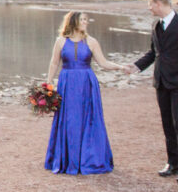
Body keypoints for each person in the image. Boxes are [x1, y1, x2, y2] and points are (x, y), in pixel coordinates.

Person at [125, 0, 178, 184]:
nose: (149, 8)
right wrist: (136, 66)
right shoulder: (155, 25)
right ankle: (173, 164)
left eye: (150, 4)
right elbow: (153, 53)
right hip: (161, 83)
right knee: (167, 125)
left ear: (159, 4)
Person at [44, 11, 126, 174]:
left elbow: (103, 62)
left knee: (89, 117)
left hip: (86, 83)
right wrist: (48, 83)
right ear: (73, 22)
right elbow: (54, 63)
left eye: (86, 20)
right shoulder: (61, 41)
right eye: (82, 20)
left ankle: (89, 159)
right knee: (69, 119)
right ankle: (67, 158)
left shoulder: (91, 41)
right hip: (67, 83)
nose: (85, 22)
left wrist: (120, 67)